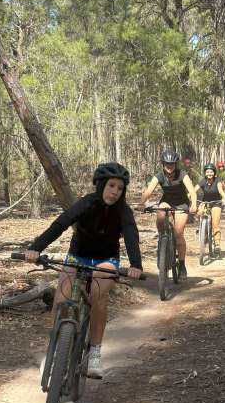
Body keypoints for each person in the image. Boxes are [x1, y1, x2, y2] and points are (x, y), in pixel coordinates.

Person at [24, 162, 142, 378]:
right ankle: (54, 350)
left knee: (99, 294)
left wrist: (136, 265)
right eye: (111, 186)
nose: (115, 192)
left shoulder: (123, 211)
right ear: (100, 185)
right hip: (77, 256)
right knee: (61, 298)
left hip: (106, 260)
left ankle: (95, 352)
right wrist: (35, 248)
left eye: (120, 188)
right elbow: (60, 224)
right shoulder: (87, 203)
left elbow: (131, 236)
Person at [139, 149, 198, 277]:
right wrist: (141, 203)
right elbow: (149, 191)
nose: (169, 166)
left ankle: (181, 265)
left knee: (178, 233)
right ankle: (163, 242)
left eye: (172, 164)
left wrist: (193, 204)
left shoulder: (182, 174)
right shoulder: (159, 175)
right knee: (160, 215)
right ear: (163, 164)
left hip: (182, 204)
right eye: (167, 164)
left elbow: (192, 192)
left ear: (175, 164)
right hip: (167, 202)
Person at [196, 163, 225, 252]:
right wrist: (189, 195)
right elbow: (194, 190)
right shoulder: (203, 181)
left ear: (214, 173)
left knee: (215, 223)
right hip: (205, 202)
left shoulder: (217, 181)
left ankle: (217, 243)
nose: (209, 173)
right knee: (199, 212)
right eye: (207, 172)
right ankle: (201, 229)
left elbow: (221, 191)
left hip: (216, 203)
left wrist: (224, 198)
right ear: (205, 173)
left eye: (211, 172)